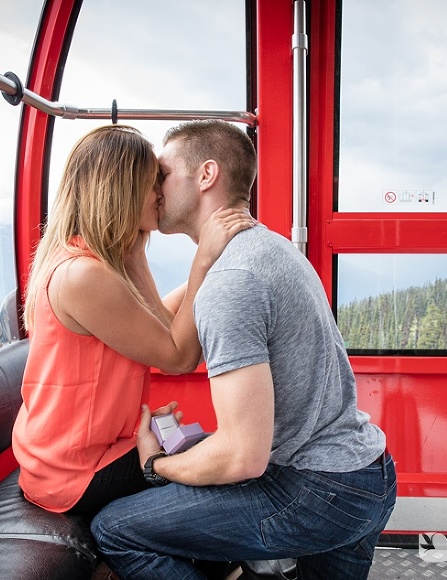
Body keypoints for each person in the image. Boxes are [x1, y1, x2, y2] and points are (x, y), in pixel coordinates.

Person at [91, 119, 396, 580]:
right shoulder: (268, 248)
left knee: (113, 529)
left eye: (162, 175)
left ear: (206, 175)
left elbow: (242, 457)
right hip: (367, 471)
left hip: (318, 492)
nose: (152, 189)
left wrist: (159, 465)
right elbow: (163, 322)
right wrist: (136, 249)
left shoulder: (232, 282)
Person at [12, 124, 254, 520]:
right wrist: (203, 260)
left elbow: (160, 317)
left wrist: (139, 252)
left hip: (87, 450)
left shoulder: (98, 260)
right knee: (227, 470)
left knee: (218, 457)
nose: (161, 194)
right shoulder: (84, 276)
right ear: (119, 192)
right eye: (151, 184)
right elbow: (179, 357)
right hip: (73, 472)